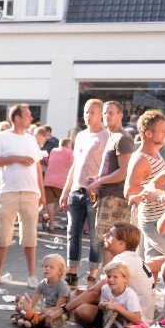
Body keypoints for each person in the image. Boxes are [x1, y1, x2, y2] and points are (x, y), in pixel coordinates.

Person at [45, 222, 156, 328]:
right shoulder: (132, 258)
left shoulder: (122, 260)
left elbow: (94, 292)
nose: (105, 236)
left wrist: (62, 310)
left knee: (82, 310)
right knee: (80, 297)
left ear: (122, 244)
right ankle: (70, 322)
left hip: (131, 321)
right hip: (138, 316)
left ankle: (75, 326)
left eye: (111, 234)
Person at [0, 104, 45, 288]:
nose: (31, 118)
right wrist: (16, 158)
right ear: (17, 118)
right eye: (27, 115)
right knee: (3, 234)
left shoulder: (31, 139)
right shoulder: (1, 137)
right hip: (7, 191)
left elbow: (37, 167)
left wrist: (41, 193)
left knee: (30, 235)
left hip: (30, 192)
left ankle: (32, 275)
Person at [59, 99, 109, 287]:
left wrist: (99, 179)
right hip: (76, 190)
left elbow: (110, 165)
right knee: (73, 232)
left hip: (94, 191)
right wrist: (65, 191)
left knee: (95, 235)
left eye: (93, 112)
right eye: (86, 112)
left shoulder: (106, 136)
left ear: (100, 114)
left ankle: (92, 274)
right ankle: (72, 272)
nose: (88, 116)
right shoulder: (80, 135)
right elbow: (75, 164)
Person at [88, 100, 135, 264]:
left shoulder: (123, 138)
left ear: (120, 116)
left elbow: (125, 171)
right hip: (107, 197)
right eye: (105, 113)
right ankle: (108, 282)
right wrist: (98, 181)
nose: (107, 117)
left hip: (116, 198)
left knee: (111, 244)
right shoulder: (112, 136)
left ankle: (110, 283)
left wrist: (100, 181)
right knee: (105, 243)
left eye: (111, 113)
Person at [125, 110, 165, 259]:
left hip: (160, 219)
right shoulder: (141, 159)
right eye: (162, 131)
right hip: (153, 222)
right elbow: (129, 190)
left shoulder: (156, 153)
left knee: (152, 266)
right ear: (148, 133)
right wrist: (160, 189)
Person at [80, 260, 151, 328]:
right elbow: (103, 307)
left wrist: (117, 308)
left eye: (115, 277)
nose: (110, 280)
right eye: (108, 276)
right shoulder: (105, 289)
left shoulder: (129, 295)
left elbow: (137, 319)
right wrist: (102, 305)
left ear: (125, 279)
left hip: (135, 326)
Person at [15, 253, 69, 319]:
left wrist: (40, 311)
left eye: (51, 267)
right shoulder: (42, 284)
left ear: (60, 271)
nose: (47, 269)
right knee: (25, 310)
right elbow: (32, 303)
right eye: (45, 266)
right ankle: (35, 319)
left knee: (47, 314)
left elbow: (59, 308)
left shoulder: (63, 286)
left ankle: (36, 320)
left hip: (60, 314)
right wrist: (23, 302)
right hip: (44, 310)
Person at [42, 137, 73, 230]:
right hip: (61, 182)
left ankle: (51, 224)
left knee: (50, 203)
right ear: (68, 145)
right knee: (64, 201)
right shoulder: (71, 153)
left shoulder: (53, 151)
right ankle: (47, 217)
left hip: (48, 180)